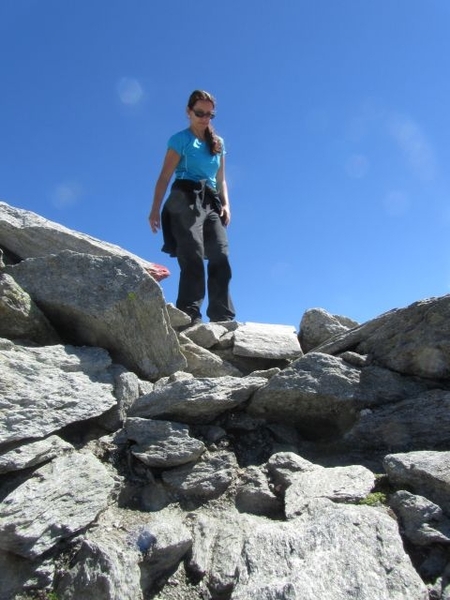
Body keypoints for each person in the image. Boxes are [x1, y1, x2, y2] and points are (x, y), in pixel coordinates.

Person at [148, 89, 235, 326]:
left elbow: (221, 178)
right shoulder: (180, 140)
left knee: (220, 253)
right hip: (184, 197)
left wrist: (226, 203)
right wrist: (155, 208)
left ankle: (222, 318)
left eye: (209, 114)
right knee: (192, 254)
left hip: (211, 200)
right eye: (199, 113)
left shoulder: (218, 143)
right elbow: (165, 176)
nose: (205, 118)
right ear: (189, 112)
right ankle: (189, 316)